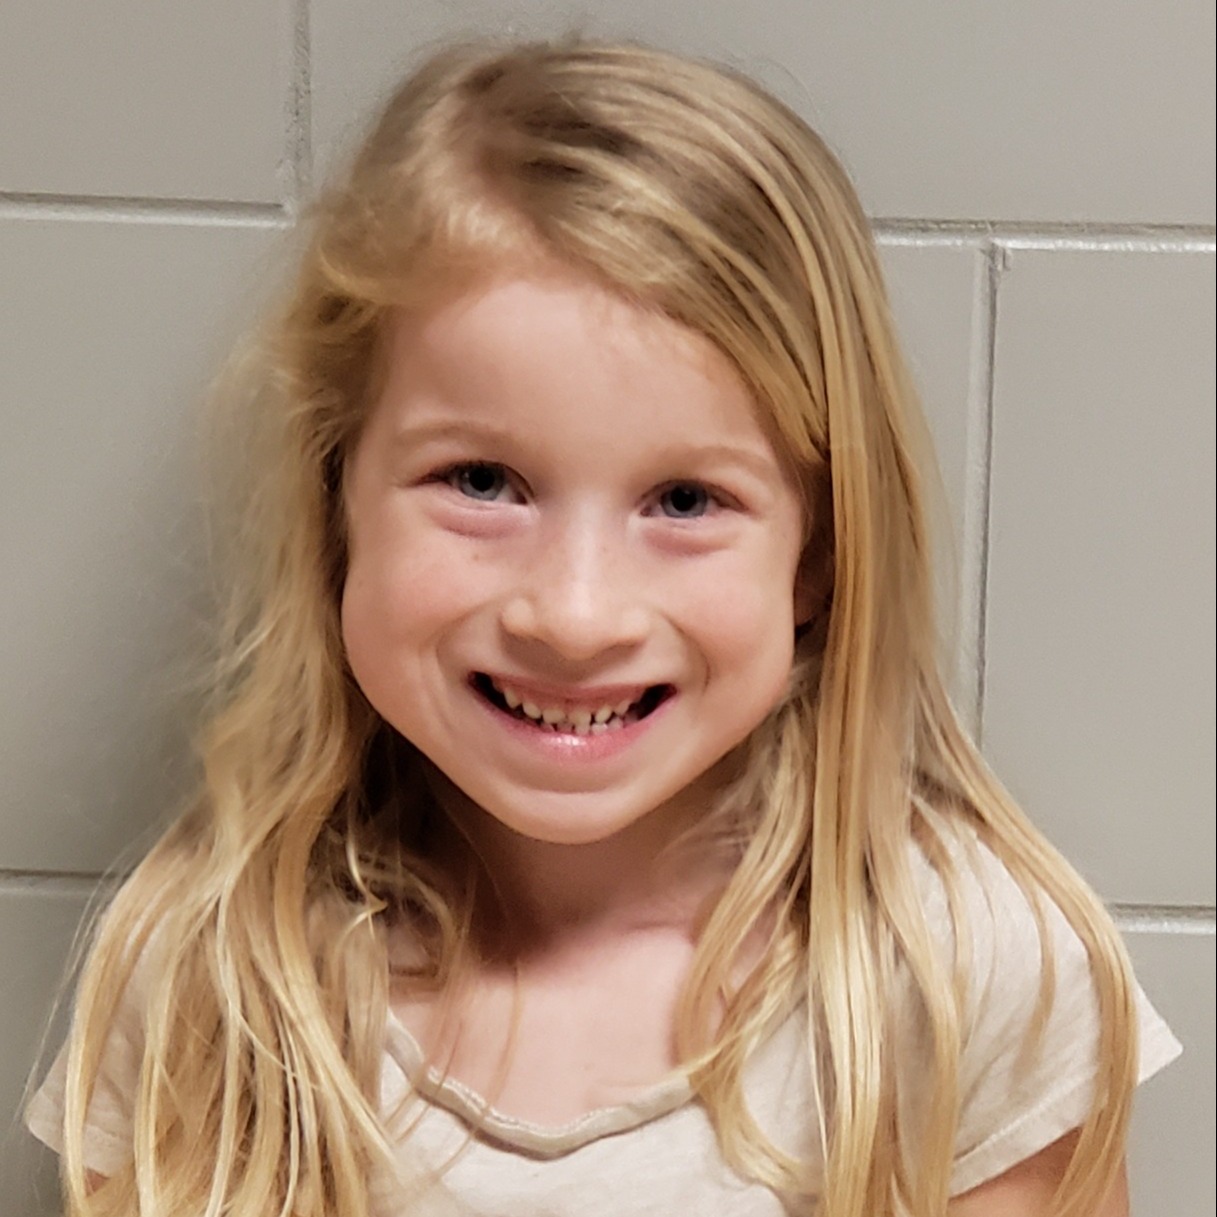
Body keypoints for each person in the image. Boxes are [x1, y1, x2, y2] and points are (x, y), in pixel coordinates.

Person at [25, 37, 1180, 1217]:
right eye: (480, 481)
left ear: (817, 555)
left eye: (684, 500)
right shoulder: (211, 971)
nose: (573, 615)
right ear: (335, 503)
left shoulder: (966, 979)